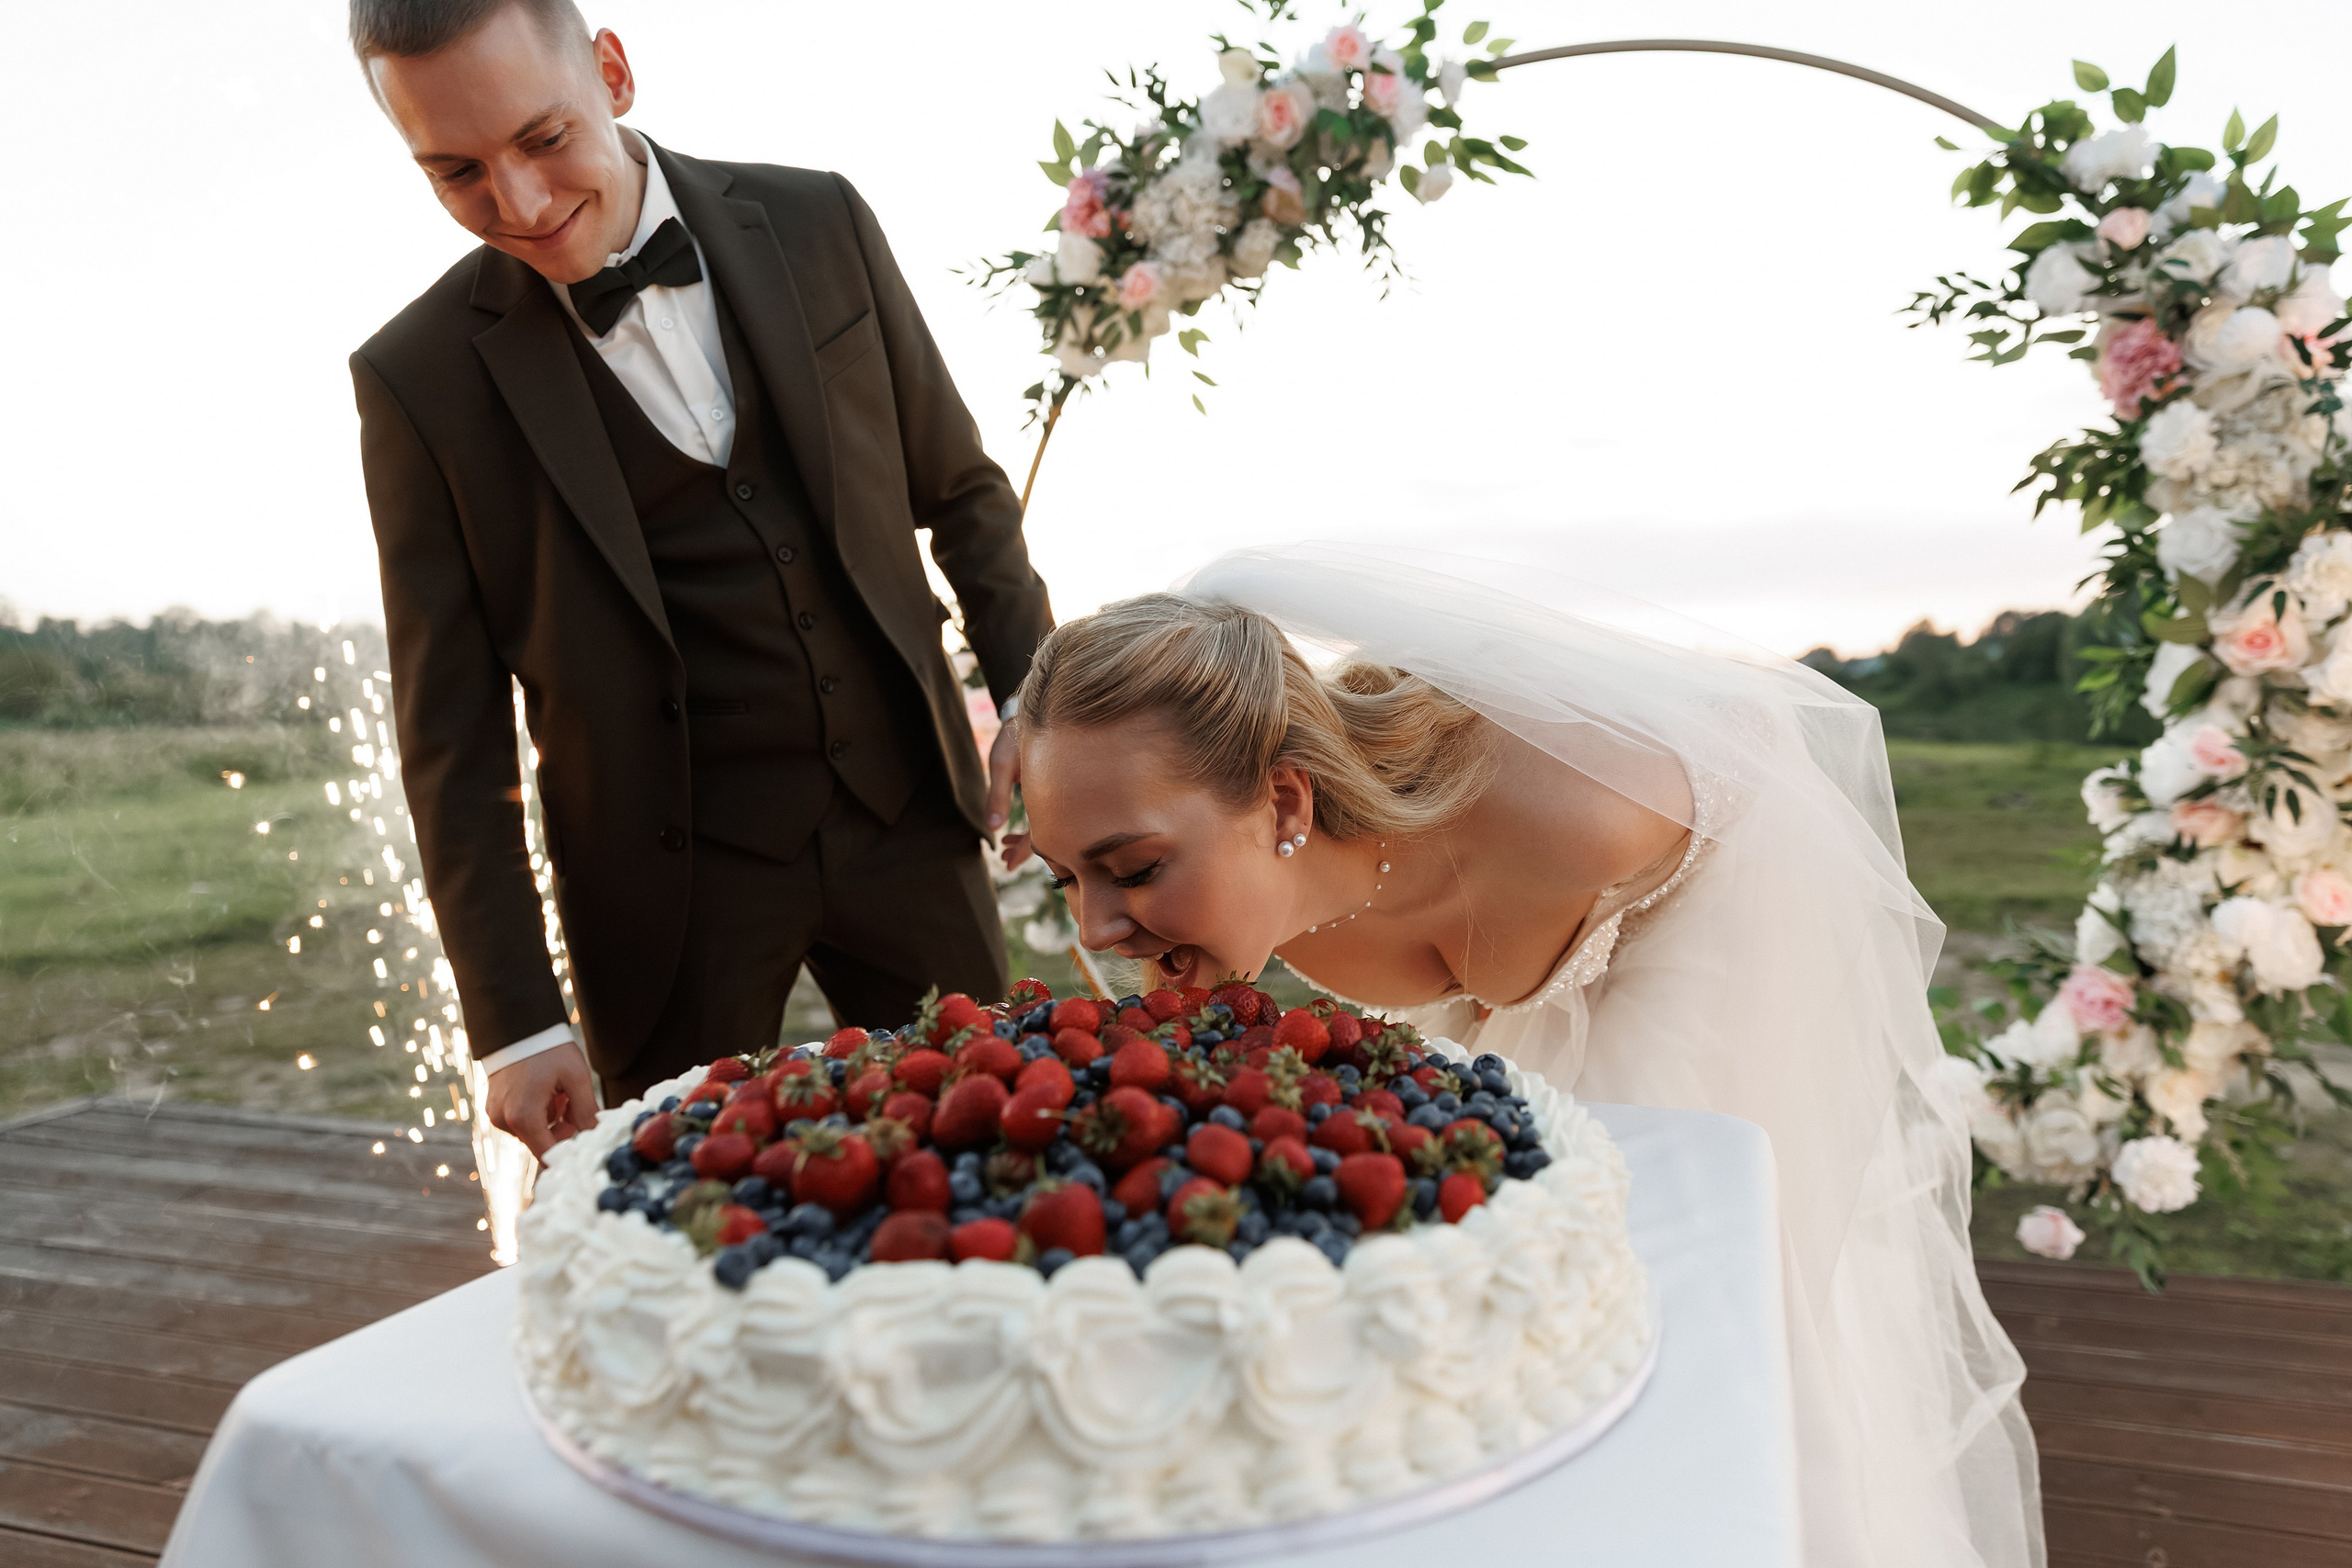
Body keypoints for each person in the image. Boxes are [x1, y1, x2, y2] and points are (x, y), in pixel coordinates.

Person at [1009, 541, 2044, 1568]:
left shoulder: (1590, 811)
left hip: (1698, 909)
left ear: (1284, 803)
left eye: (1133, 869)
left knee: (1663, 1273)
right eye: (1067, 876)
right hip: (1501, 976)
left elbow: (1760, 746)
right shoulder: (1254, 898)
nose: (1094, 930)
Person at [347, 0, 1051, 1155]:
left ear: (613, 73)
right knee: (682, 1226)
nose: (518, 204)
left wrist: (1038, 699)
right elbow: (451, 732)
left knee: (993, 1142)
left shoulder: (817, 220)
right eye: (456, 173)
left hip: (905, 817)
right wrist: (517, 1024)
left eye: (541, 139)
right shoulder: (416, 379)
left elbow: (960, 489)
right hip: (667, 891)